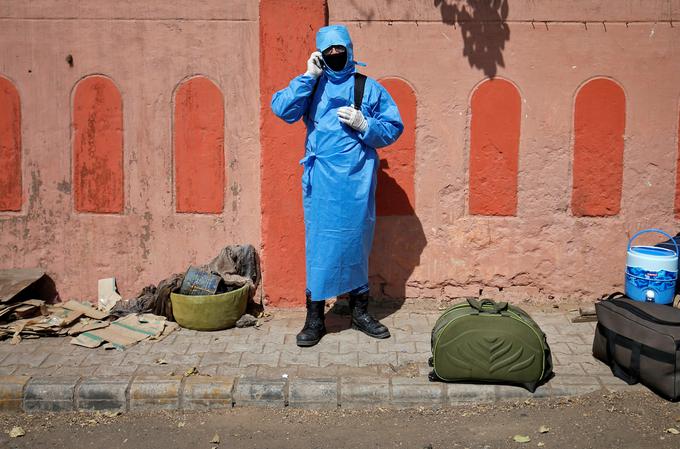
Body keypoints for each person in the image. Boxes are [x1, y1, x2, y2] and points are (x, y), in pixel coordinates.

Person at [271, 25, 404, 347]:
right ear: (320, 53)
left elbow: (392, 127)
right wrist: (307, 76)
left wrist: (365, 124)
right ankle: (315, 318)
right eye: (328, 51)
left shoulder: (368, 88)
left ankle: (360, 312)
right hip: (321, 182)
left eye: (339, 50)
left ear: (349, 50)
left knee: (357, 242)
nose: (334, 56)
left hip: (357, 180)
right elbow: (282, 110)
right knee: (320, 246)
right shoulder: (313, 84)